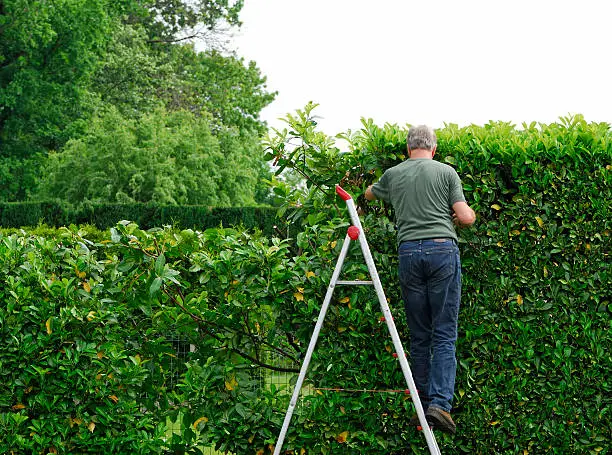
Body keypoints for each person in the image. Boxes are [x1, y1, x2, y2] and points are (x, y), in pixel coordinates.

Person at [364, 125, 475, 434]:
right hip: (442, 251)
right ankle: (439, 405)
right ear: (433, 148)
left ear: (408, 148)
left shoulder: (394, 174)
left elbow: (369, 194)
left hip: (409, 252)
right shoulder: (445, 173)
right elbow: (465, 217)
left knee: (420, 335)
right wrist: (465, 216)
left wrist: (369, 187)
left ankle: (421, 405)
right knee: (444, 332)